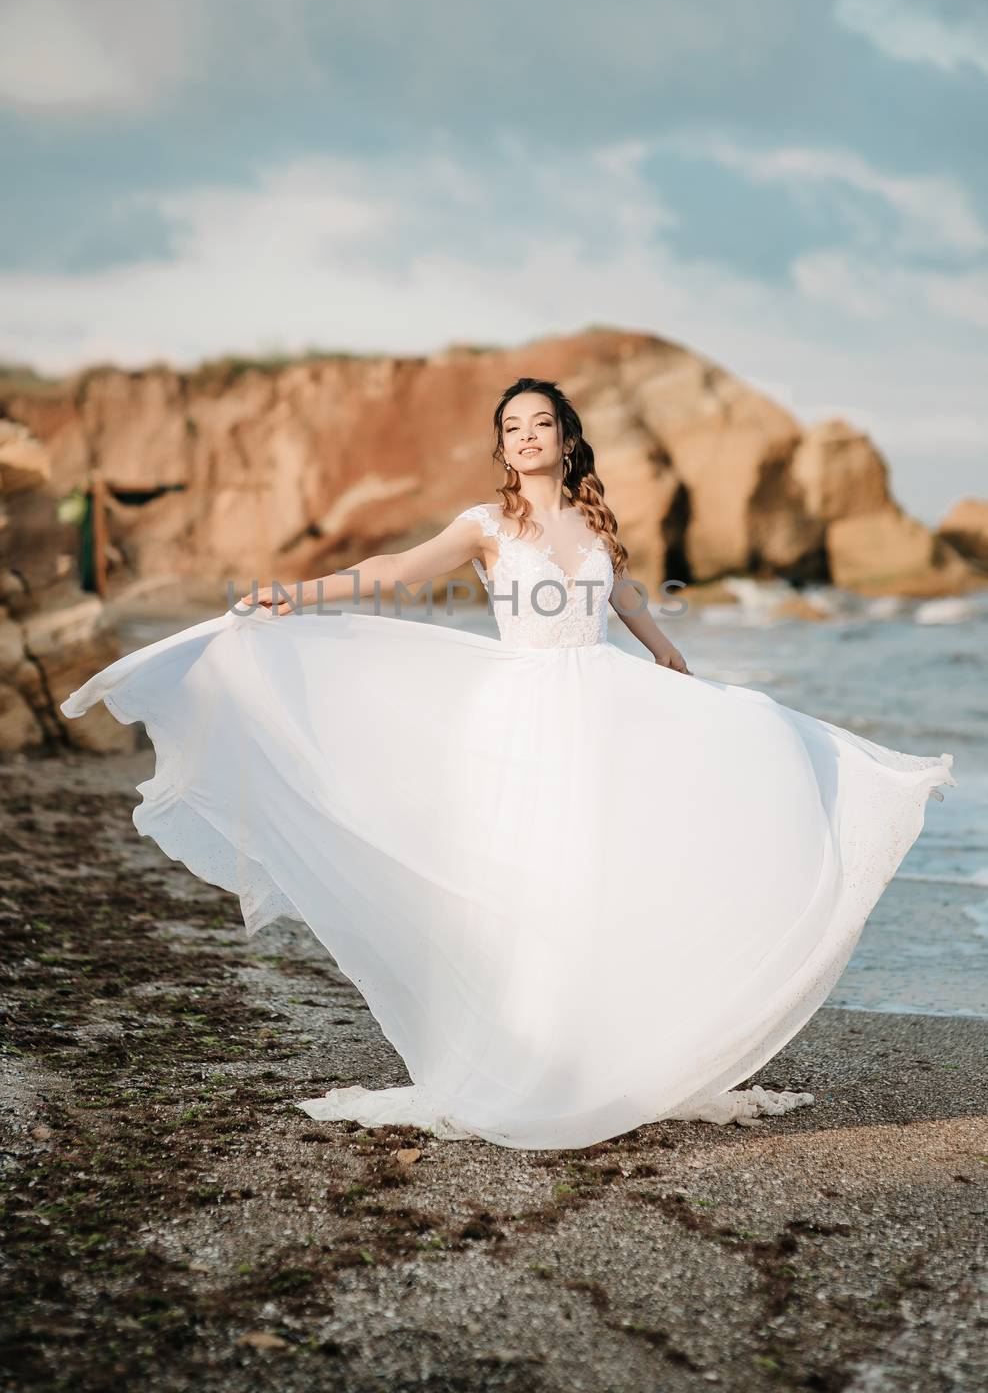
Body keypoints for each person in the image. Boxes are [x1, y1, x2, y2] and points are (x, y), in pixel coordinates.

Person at [59, 376, 956, 1149]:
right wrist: (295, 595)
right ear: (505, 446)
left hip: (604, 709)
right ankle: (526, 1061)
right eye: (512, 428)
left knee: (615, 864)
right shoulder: (489, 522)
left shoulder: (592, 518)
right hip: (522, 713)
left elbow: (625, 585)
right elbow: (397, 569)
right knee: (528, 880)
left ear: (567, 440)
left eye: (540, 424)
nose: (525, 437)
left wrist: (660, 648)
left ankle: (604, 1053)